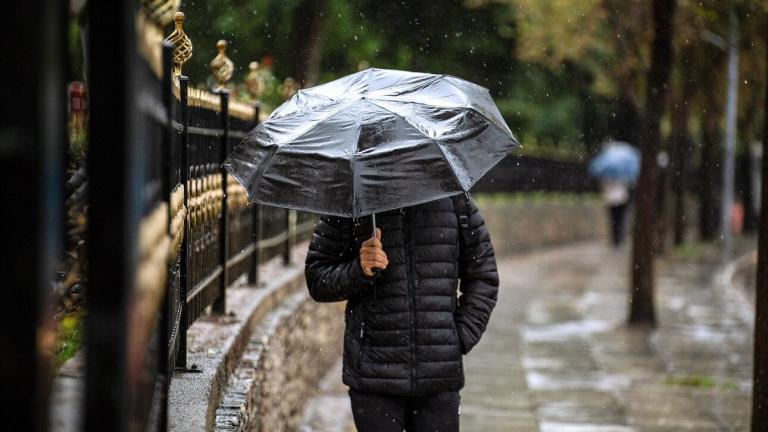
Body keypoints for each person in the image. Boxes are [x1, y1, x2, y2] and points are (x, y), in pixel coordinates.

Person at [305, 193, 498, 431]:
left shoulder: (455, 199)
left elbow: (483, 275)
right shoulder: (351, 202)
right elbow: (317, 278)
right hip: (374, 375)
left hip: (438, 377)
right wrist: (359, 269)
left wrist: (460, 336)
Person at [600, 178, 632, 247]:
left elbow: (604, 188)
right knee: (620, 220)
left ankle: (616, 238)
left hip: (611, 200)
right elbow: (627, 186)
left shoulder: (607, 177)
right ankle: (620, 237)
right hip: (621, 200)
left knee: (614, 220)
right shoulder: (623, 176)